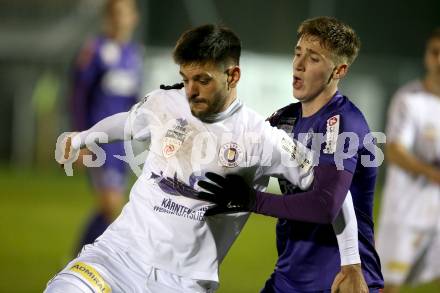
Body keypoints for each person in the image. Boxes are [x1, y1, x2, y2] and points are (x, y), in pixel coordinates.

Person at [48, 24, 360, 293]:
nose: (191, 91)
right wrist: (82, 138)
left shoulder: (262, 138)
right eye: (185, 79)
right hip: (116, 256)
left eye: (203, 80)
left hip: (182, 282)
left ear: (233, 75)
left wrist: (351, 263)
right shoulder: (165, 103)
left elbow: (333, 194)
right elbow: (128, 123)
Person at [195, 17, 384, 292]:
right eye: (298, 53)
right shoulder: (284, 120)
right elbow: (238, 154)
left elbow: (326, 205)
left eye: (314, 58)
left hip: (339, 282)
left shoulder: (343, 124)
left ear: (339, 70)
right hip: (289, 279)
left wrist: (251, 200)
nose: (299, 64)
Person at [69, 0, 143, 251]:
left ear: (134, 18)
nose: (120, 19)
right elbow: (79, 95)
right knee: (112, 205)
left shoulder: (133, 54)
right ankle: (78, 262)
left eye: (125, 13)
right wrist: (80, 139)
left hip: (122, 145)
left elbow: (133, 102)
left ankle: (77, 262)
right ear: (107, 18)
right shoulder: (96, 50)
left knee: (111, 208)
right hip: (100, 142)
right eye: (115, 14)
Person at [376, 28, 440, 293]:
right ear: (427, 57)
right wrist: (432, 172)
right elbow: (395, 151)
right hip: (406, 211)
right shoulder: (409, 99)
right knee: (388, 286)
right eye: (435, 53)